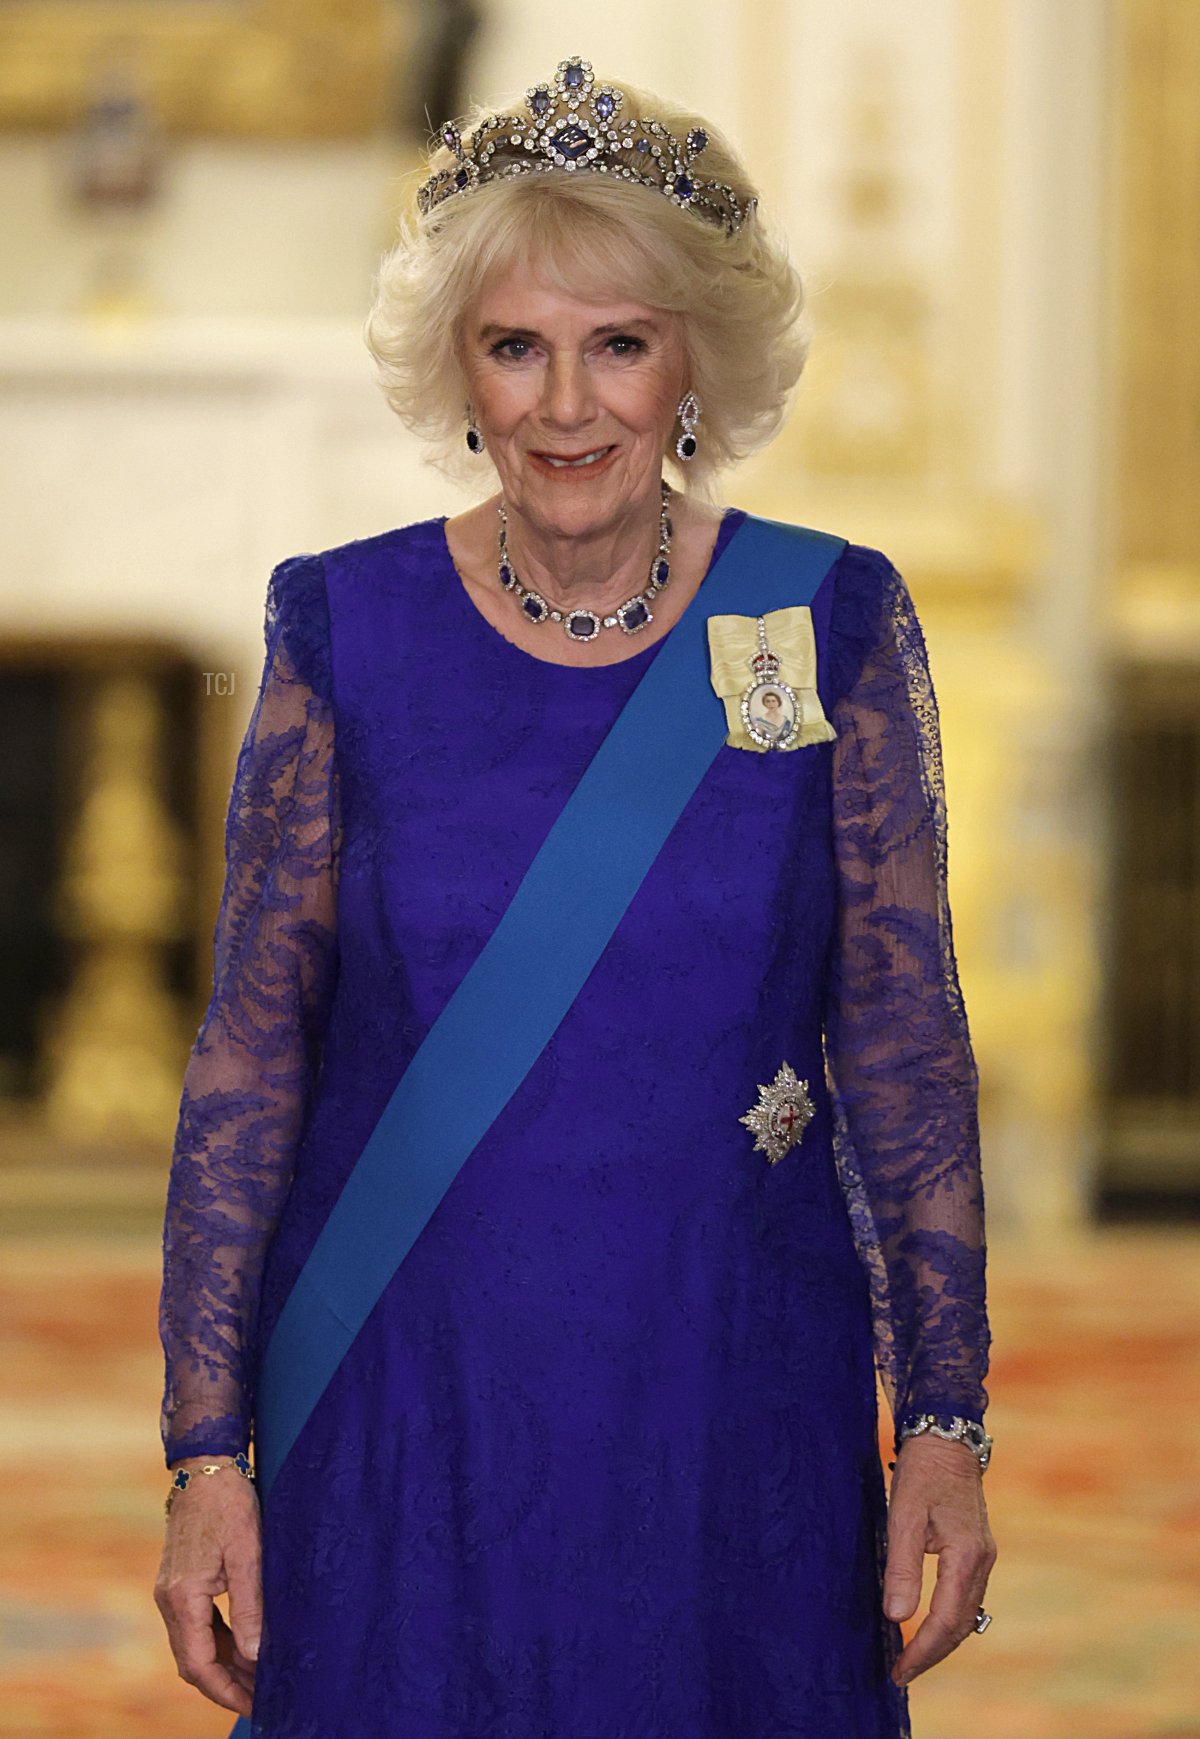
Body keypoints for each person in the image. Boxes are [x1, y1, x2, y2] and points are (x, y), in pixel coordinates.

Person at [154, 55, 996, 1738]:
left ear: (695, 361)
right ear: (457, 368)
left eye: (618, 344)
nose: (564, 406)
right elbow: (251, 1054)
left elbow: (906, 1049)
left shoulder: (823, 619)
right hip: (409, 1390)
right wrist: (203, 1453)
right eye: (514, 346)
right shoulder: (345, 630)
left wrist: (946, 1426)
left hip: (727, 1384)